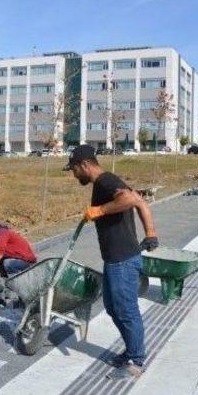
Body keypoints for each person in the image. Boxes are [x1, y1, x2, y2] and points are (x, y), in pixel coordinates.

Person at [64, 144, 158, 380]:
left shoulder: (105, 181)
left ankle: (136, 361)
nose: (74, 175)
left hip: (122, 259)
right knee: (112, 306)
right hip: (116, 259)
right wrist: (151, 233)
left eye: (74, 170)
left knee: (126, 310)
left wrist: (100, 210)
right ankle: (131, 351)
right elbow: (139, 201)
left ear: (84, 165)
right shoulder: (106, 182)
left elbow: (128, 199)